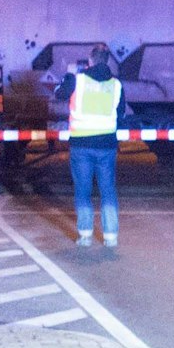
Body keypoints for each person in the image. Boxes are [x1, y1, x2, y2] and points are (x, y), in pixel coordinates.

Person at [61, 42, 123, 246]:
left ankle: (86, 235)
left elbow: (59, 94)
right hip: (106, 145)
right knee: (108, 189)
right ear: (107, 61)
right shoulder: (116, 85)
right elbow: (121, 112)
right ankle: (111, 237)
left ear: (90, 60)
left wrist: (69, 75)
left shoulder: (77, 80)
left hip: (81, 145)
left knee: (83, 189)